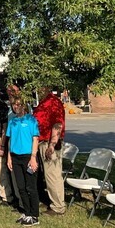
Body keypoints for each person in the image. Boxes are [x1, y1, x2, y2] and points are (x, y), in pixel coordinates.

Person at [7, 97, 40, 226]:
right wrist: (9, 157)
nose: (16, 107)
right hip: (15, 157)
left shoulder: (31, 120)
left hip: (28, 157)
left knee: (30, 187)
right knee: (21, 187)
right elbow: (10, 140)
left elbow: (35, 139)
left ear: (24, 106)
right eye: (14, 105)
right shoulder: (13, 121)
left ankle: (34, 215)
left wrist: (33, 157)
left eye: (19, 104)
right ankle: (27, 212)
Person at [33, 86, 66, 216]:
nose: (39, 89)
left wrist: (52, 144)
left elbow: (57, 124)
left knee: (52, 175)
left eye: (41, 86)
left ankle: (58, 207)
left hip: (49, 143)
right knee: (46, 176)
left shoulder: (53, 102)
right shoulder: (41, 102)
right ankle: (49, 200)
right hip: (41, 142)